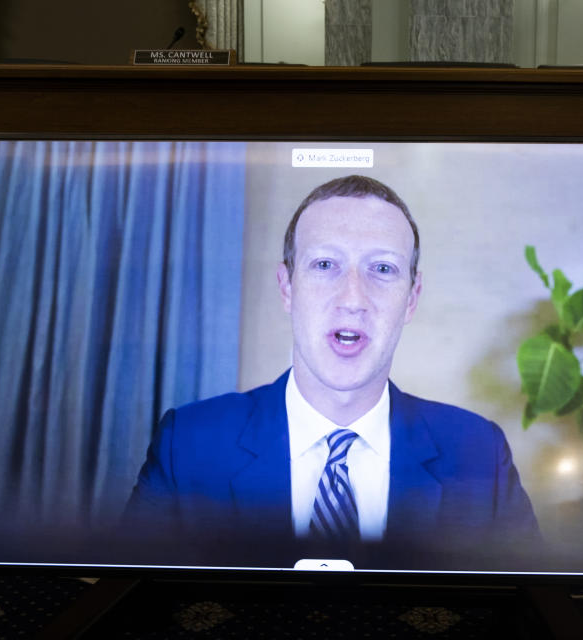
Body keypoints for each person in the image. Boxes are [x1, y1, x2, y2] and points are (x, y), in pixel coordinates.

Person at [123, 175, 540, 570]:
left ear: (412, 298)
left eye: (382, 269)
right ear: (287, 287)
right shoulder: (189, 444)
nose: (352, 298)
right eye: (325, 265)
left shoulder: (480, 455)